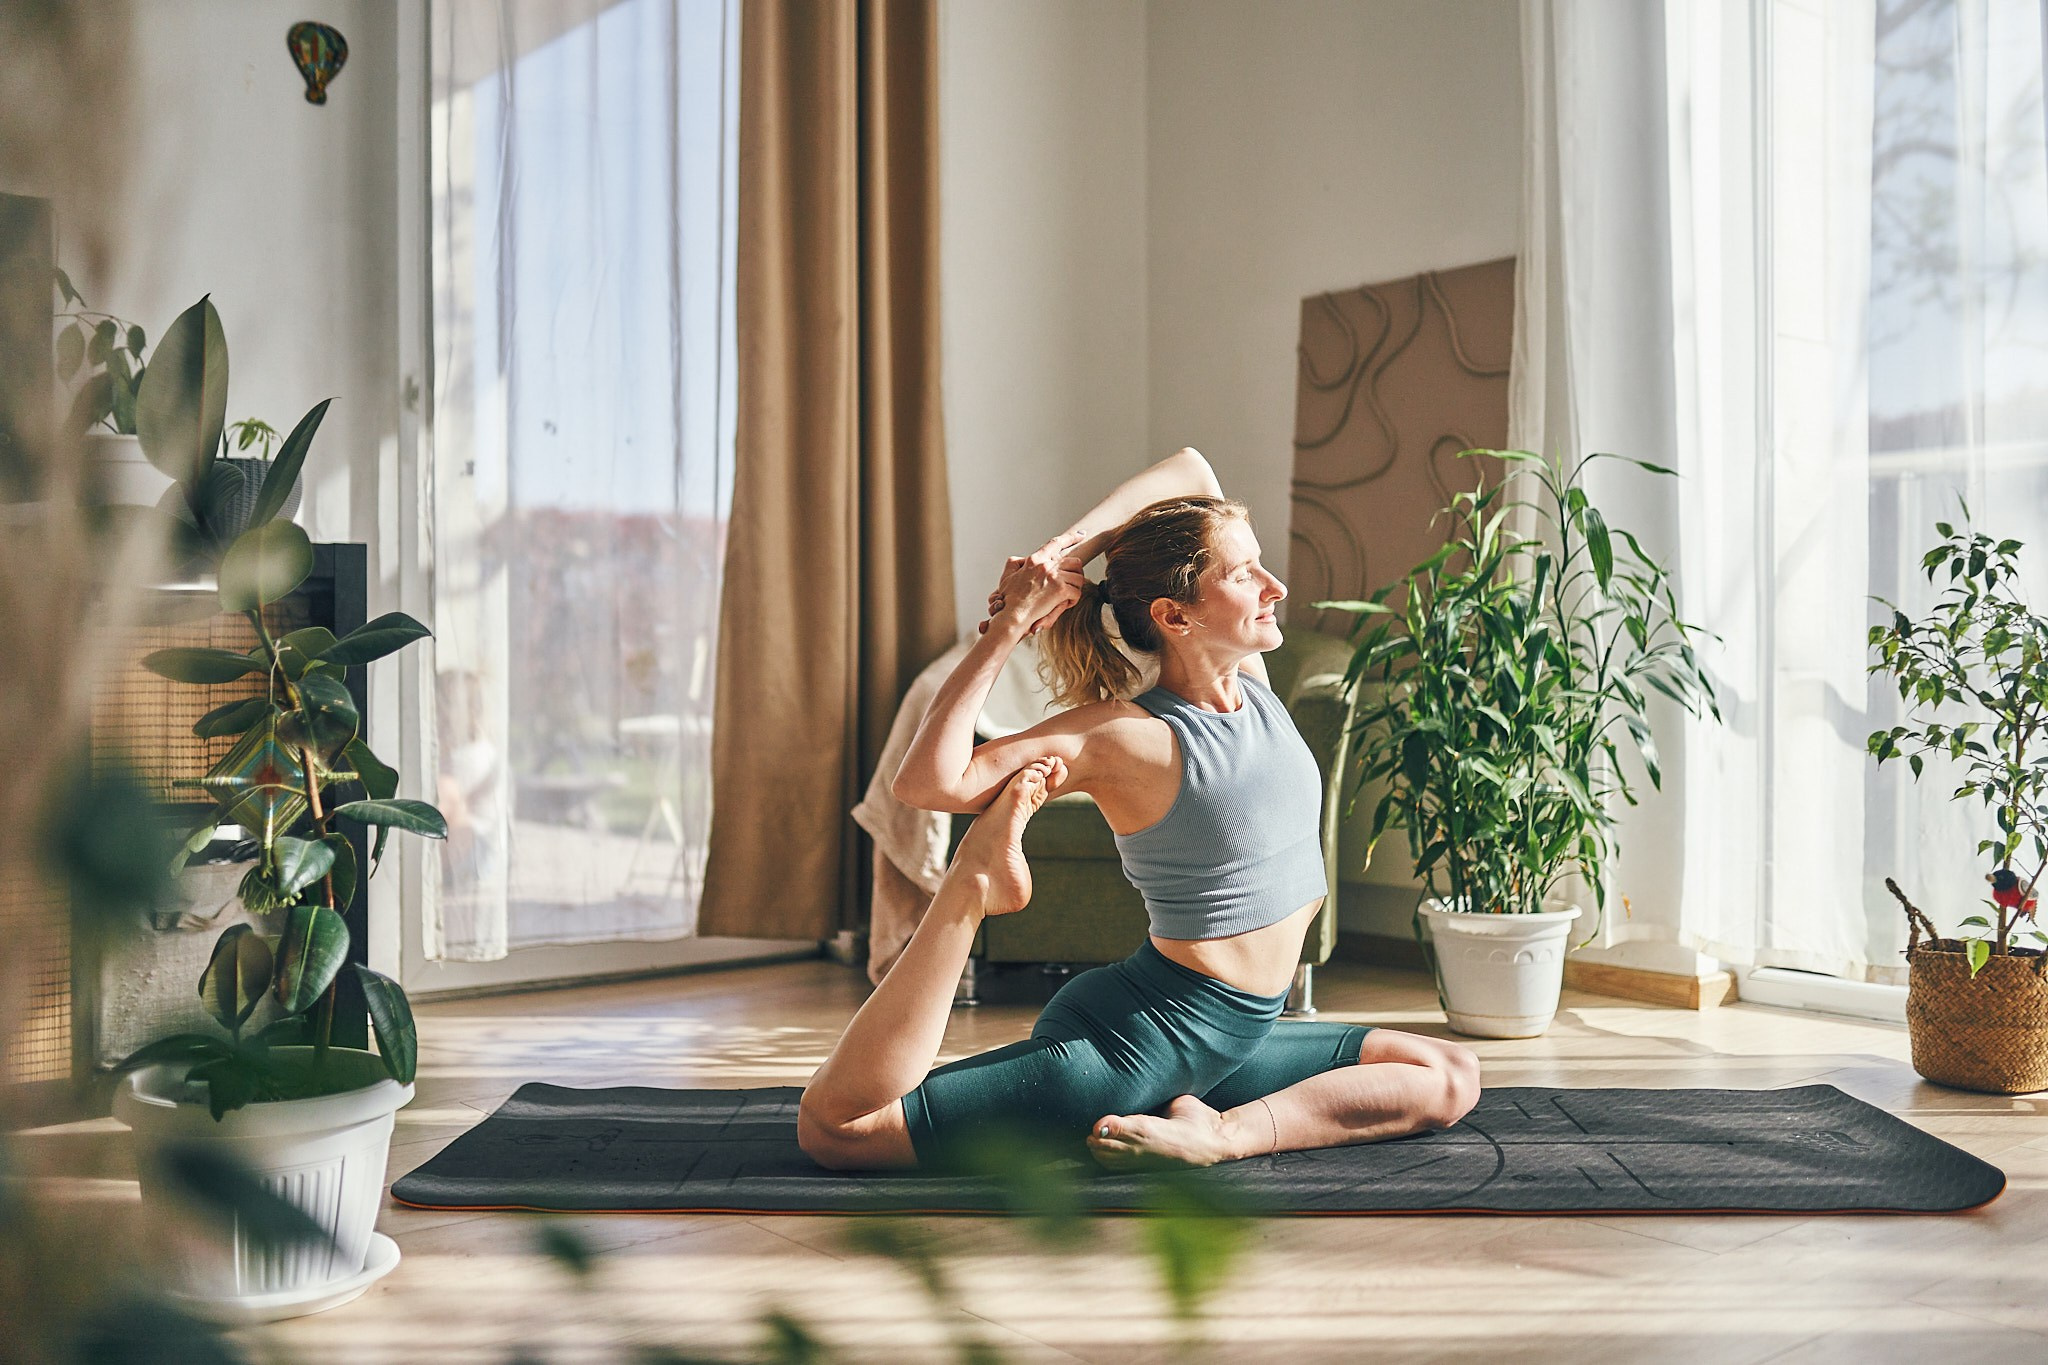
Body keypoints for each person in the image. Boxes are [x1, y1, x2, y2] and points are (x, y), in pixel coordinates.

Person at [797, 447, 1481, 1171]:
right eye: (1245, 574)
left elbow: (1191, 470)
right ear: (1174, 615)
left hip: (1237, 1033)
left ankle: (1211, 1126)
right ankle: (974, 882)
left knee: (1450, 1074)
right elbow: (926, 783)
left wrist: (1061, 556)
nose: (1275, 586)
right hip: (1144, 1038)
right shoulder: (1129, 735)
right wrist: (1013, 622)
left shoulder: (1250, 683)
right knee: (840, 1130)